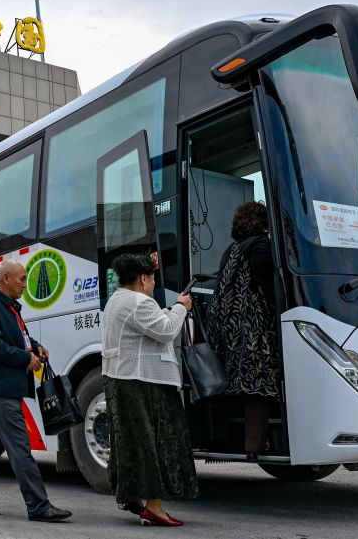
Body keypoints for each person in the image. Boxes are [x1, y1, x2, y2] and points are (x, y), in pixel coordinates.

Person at [0, 261, 72, 523]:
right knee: (20, 447)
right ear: (5, 278)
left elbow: (20, 339)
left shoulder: (10, 308)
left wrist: (36, 348)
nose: (25, 285)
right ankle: (38, 505)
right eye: (22, 279)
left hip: (6, 387)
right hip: (0, 388)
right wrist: (25, 358)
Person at [102, 253, 198, 527]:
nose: (154, 284)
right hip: (143, 382)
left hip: (123, 379)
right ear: (143, 279)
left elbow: (149, 327)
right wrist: (181, 307)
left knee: (131, 442)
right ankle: (154, 508)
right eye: (153, 279)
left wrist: (169, 311)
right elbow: (166, 331)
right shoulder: (139, 302)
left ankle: (133, 496)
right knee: (154, 443)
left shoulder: (116, 300)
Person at [206, 201, 280, 458]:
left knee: (240, 382)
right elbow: (268, 282)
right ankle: (255, 445)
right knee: (258, 383)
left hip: (227, 325)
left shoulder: (232, 249)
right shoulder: (261, 245)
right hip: (252, 326)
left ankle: (239, 441)